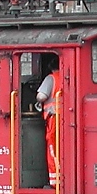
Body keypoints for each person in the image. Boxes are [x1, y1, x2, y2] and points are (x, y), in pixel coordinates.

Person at [35, 55, 60, 187]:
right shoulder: (70, 77)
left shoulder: (51, 78)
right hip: (67, 118)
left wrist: (38, 97)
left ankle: (55, 183)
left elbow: (42, 96)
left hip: (54, 118)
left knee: (53, 150)